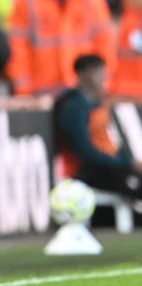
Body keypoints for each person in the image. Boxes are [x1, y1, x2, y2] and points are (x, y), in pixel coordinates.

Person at [6, 0, 115, 96]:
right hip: (43, 90)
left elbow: (105, 42)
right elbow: (18, 47)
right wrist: (23, 88)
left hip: (83, 88)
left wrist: (103, 82)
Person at [54, 54, 142, 201]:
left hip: (111, 166)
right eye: (97, 72)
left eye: (103, 71)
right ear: (82, 74)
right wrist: (128, 164)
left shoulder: (98, 103)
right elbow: (85, 152)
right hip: (90, 171)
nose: (103, 77)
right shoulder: (74, 107)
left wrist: (128, 161)